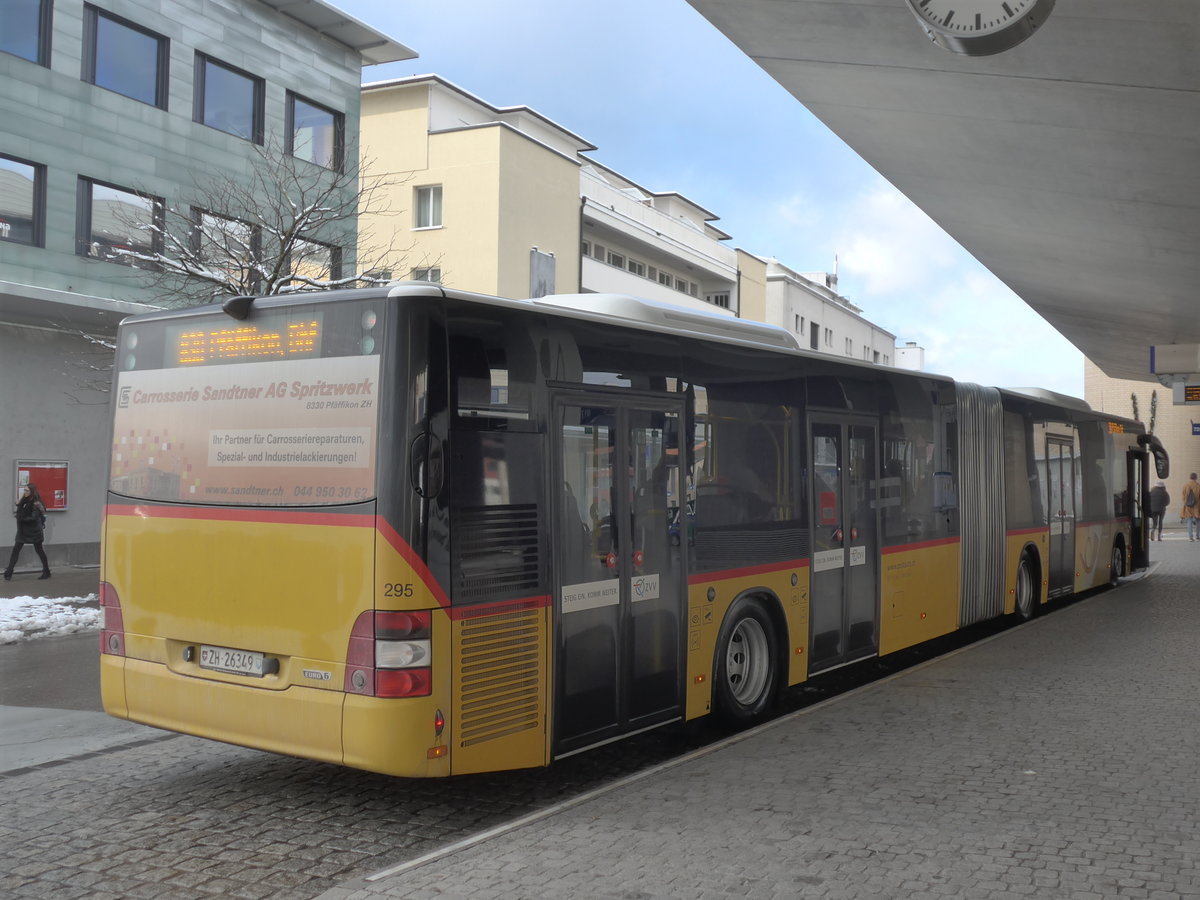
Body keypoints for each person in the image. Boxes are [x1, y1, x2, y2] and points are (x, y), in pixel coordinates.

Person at [4, 484, 50, 580]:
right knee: (16, 550)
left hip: (34, 531)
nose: (25, 492)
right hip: (23, 531)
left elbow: (34, 517)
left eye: (27, 491)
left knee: (39, 551)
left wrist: (22, 518)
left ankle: (46, 571)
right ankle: (9, 572)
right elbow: (20, 506)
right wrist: (20, 502)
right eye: (24, 490)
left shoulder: (36, 503)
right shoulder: (24, 500)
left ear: (32, 492)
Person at [1182, 473, 1200, 542]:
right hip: (1197, 506)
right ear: (1196, 478)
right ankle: (1197, 536)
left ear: (1190, 477)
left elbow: (1183, 495)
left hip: (1188, 506)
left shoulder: (1186, 485)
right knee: (1198, 521)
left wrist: (1186, 502)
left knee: (1189, 521)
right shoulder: (1198, 486)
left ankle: (1190, 537)